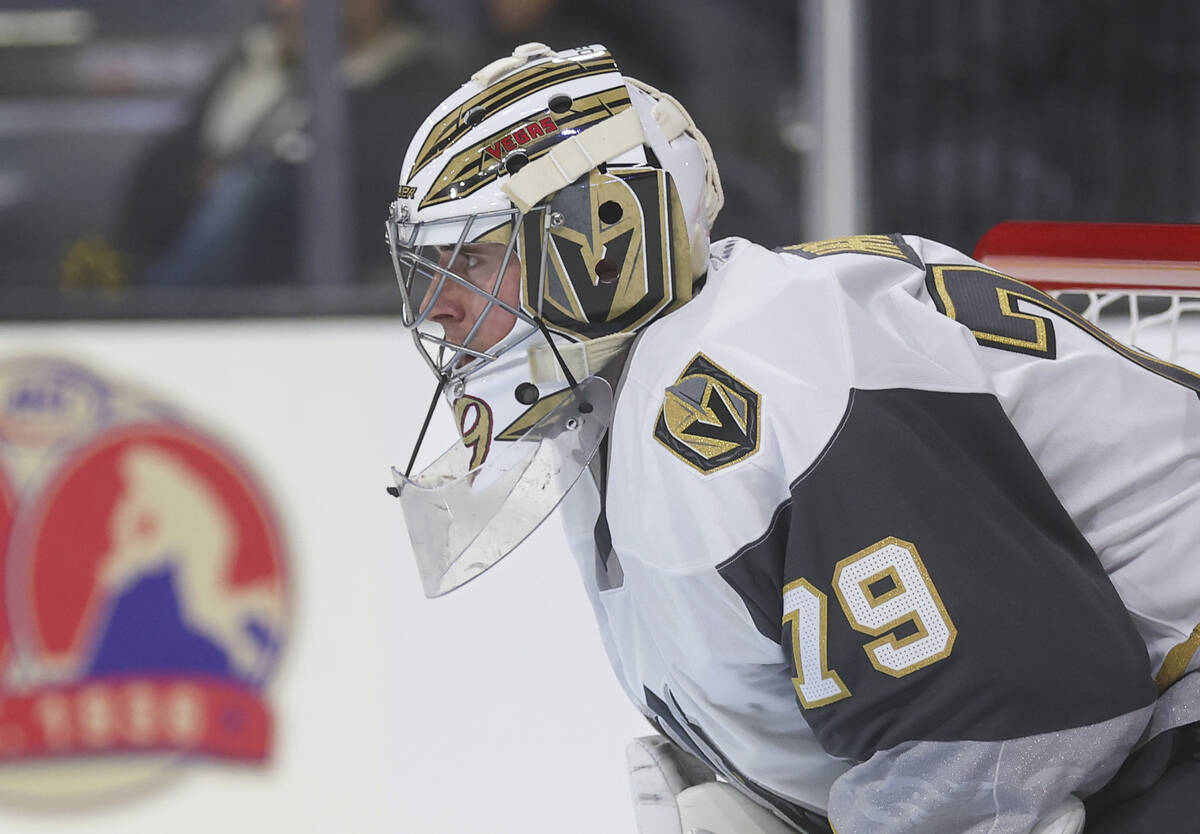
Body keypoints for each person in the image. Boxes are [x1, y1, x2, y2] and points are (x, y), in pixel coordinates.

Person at [384, 43, 1200, 833]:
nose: (437, 310)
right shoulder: (631, 404)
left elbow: (1014, 722)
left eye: (474, 260)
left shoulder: (759, 378)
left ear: (602, 237)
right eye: (426, 274)